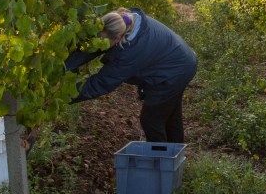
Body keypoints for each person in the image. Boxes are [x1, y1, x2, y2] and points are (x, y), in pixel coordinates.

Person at [66, 7, 197, 143]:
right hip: (179, 59)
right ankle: (174, 158)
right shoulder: (119, 22)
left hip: (175, 71)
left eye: (104, 41)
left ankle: (159, 160)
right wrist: (65, 66)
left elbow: (101, 83)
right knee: (169, 114)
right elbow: (94, 47)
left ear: (117, 39)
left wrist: (64, 95)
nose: (100, 42)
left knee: (151, 120)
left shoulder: (130, 52)